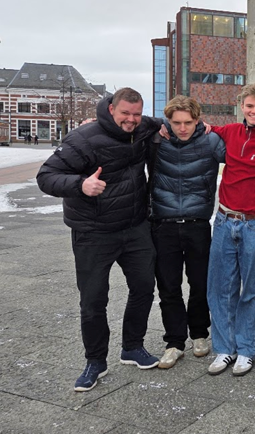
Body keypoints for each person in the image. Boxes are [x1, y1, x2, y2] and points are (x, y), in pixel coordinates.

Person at [36, 87, 162, 392]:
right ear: (110, 110)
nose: (131, 120)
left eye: (136, 114)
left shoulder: (143, 127)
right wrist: (81, 184)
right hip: (93, 232)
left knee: (144, 288)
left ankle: (132, 346)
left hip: (134, 227)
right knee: (93, 300)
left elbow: (165, 122)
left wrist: (201, 126)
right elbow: (46, 176)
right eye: (125, 114)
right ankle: (95, 361)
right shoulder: (82, 139)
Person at [205, 83, 255, 376]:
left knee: (253, 288)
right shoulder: (229, 132)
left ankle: (248, 349)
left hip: (254, 224)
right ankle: (225, 348)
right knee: (222, 287)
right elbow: (191, 124)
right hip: (225, 220)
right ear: (242, 106)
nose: (254, 111)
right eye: (249, 106)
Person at [148, 95, 225, 369]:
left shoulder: (212, 141)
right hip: (163, 224)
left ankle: (200, 334)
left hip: (197, 224)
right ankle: (174, 342)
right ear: (167, 121)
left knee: (200, 284)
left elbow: (243, 153)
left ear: (198, 119)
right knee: (168, 287)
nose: (182, 128)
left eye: (188, 122)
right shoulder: (155, 140)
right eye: (176, 122)